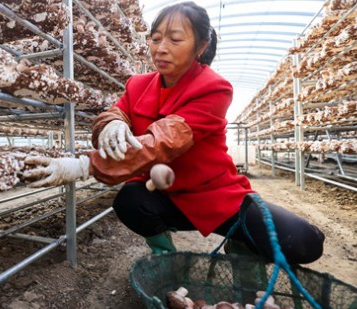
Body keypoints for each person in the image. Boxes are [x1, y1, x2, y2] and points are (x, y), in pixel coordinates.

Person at [23, 2, 325, 265]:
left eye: (175, 39)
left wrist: (84, 165)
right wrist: (111, 122)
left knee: (305, 243)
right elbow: (117, 111)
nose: (161, 48)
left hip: (215, 195)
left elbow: (163, 143)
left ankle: (240, 240)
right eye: (155, 39)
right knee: (130, 199)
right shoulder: (137, 84)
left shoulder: (214, 89)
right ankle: (165, 258)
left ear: (201, 46)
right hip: (163, 194)